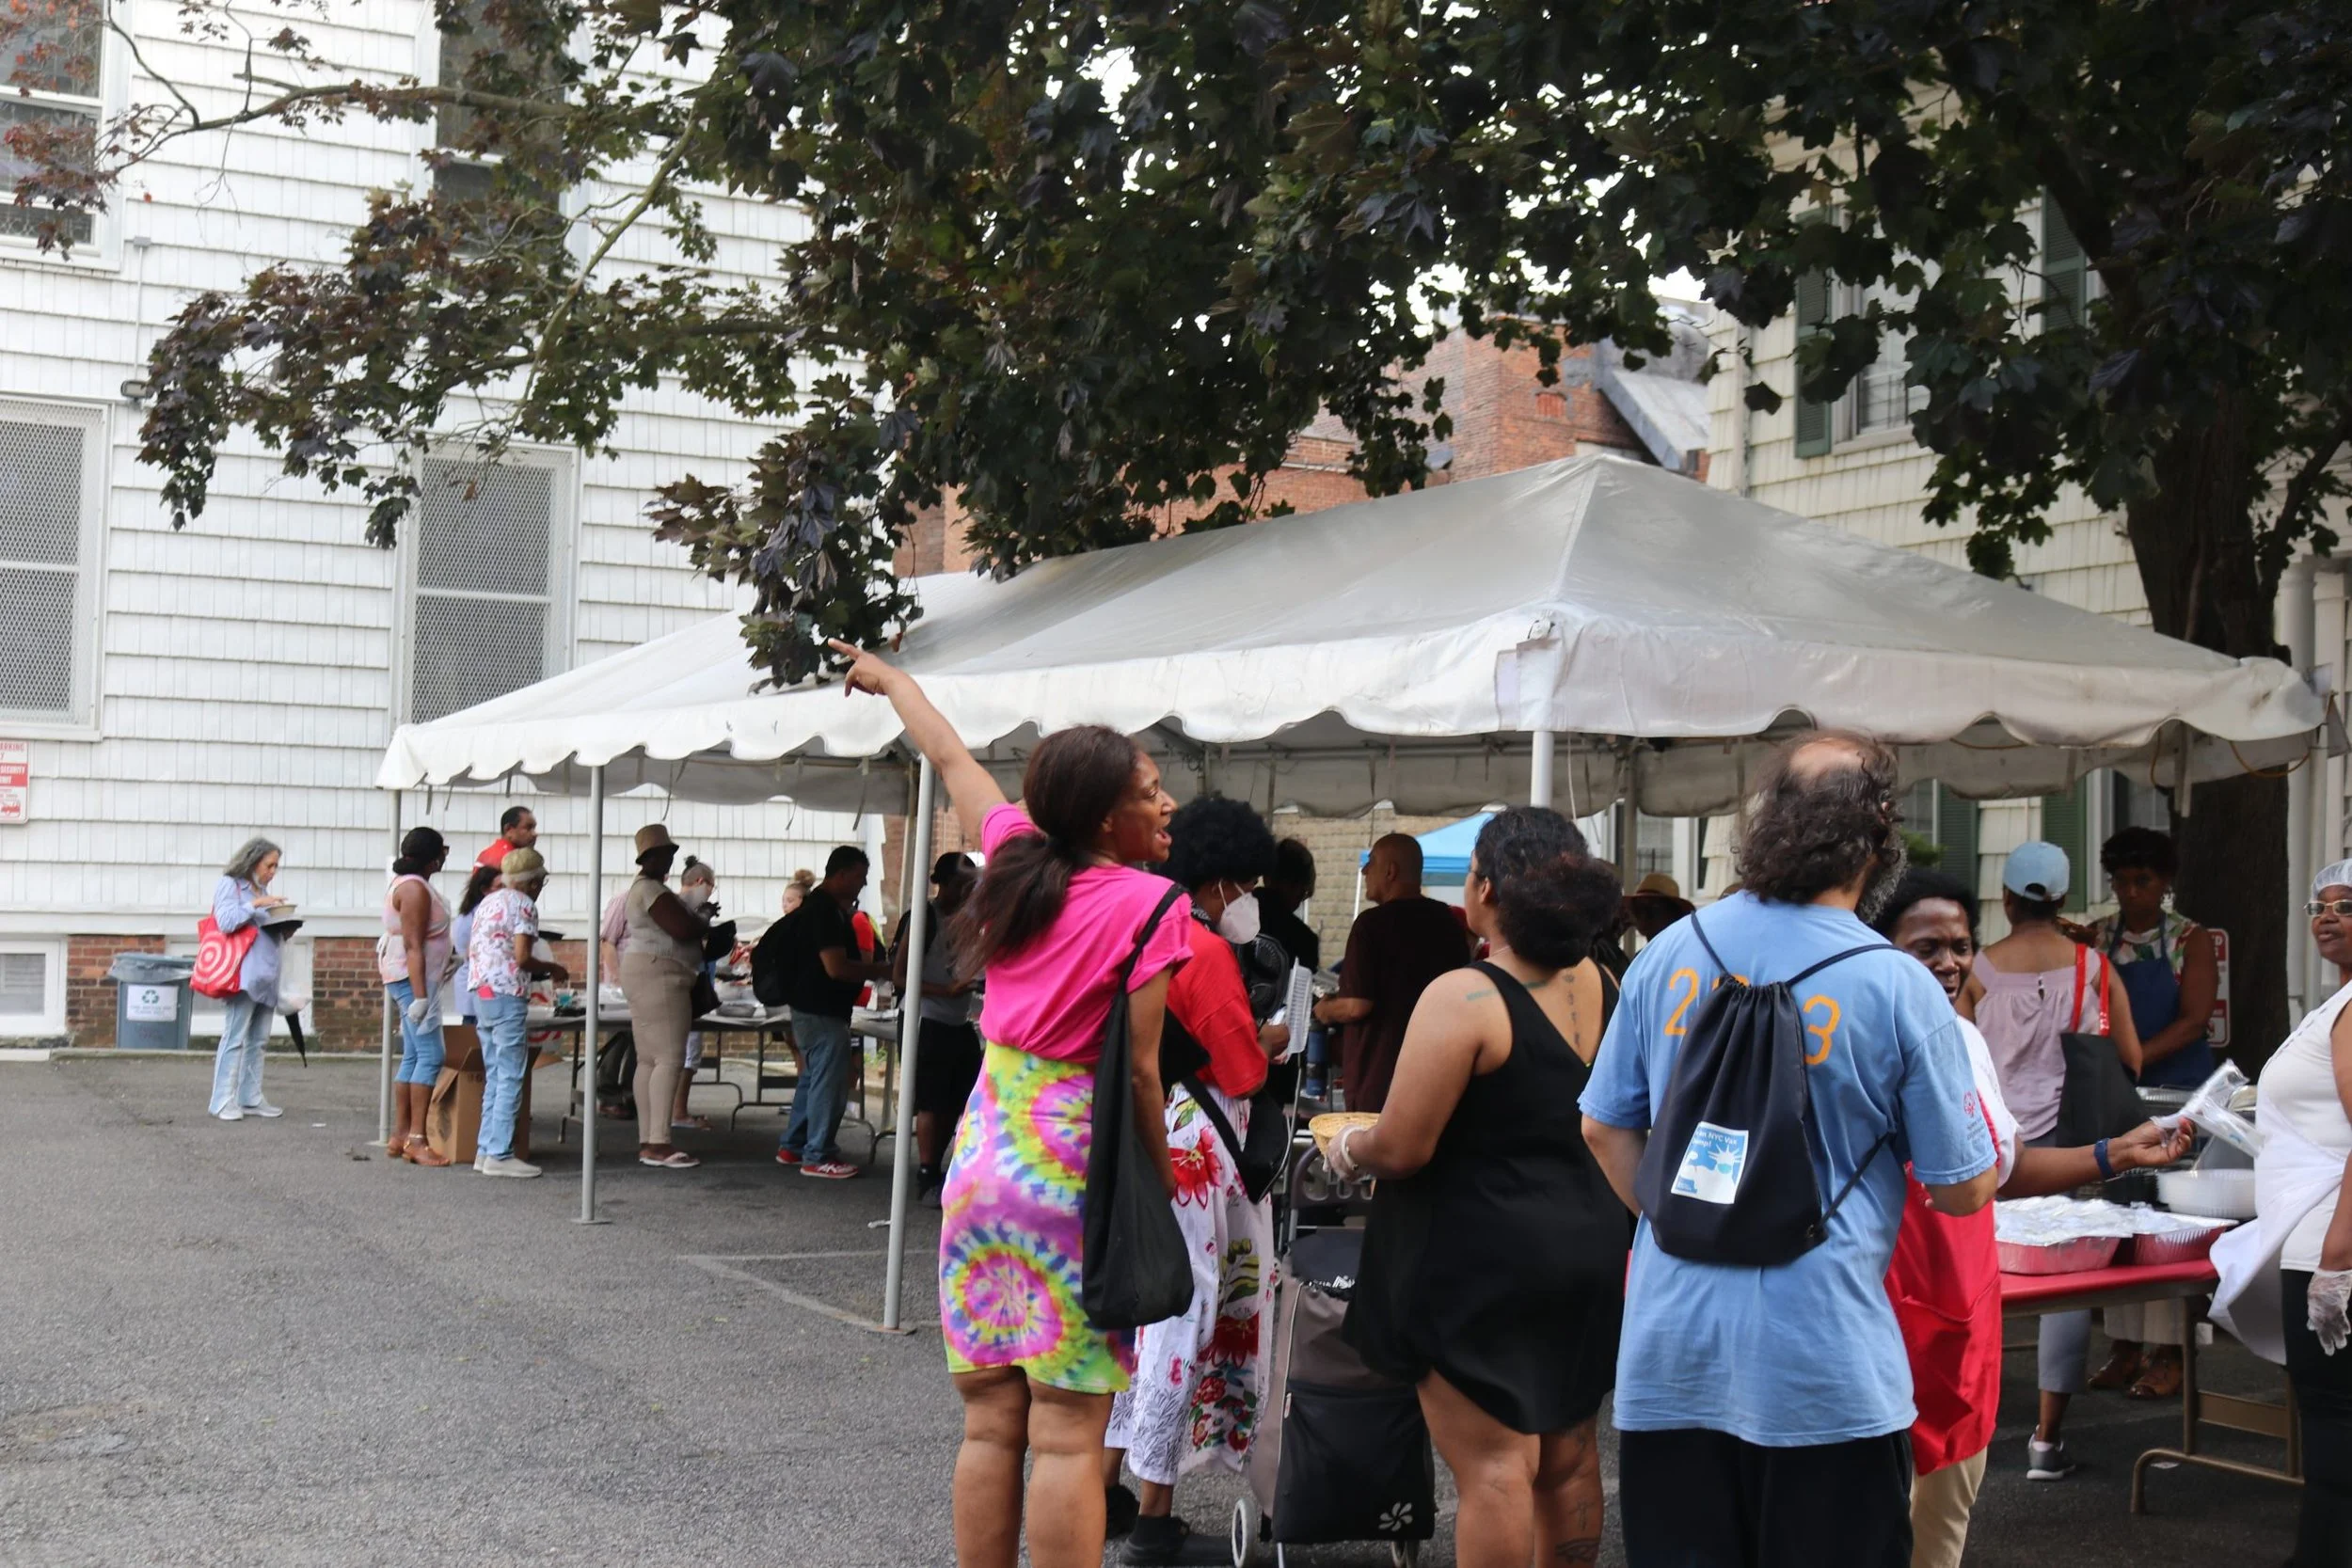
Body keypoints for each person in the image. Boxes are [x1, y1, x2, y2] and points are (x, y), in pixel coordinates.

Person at [1580, 733, 1997, 1568]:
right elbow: (1961, 1187)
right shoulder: (1897, 983)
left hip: (1670, 1365)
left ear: (1768, 822)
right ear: (1878, 835)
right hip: (1827, 1369)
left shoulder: (1669, 953)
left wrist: (1690, 1216)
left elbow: (1601, 1124)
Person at [831, 636, 1189, 1568]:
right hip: (1073, 1173)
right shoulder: (1154, 905)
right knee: (1070, 1431)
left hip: (982, 1159)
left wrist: (893, 682)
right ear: (1108, 818)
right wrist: (1159, 1181)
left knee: (991, 1419)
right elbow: (1142, 1070)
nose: (1166, 803)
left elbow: (949, 757)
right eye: (1149, 791)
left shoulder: (1018, 858)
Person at [1327, 806, 1627, 1568]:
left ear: (1486, 888)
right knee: (1568, 1454)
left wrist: (1348, 1148)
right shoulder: (1606, 983)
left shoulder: (1465, 997)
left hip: (1478, 1265)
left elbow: (1402, 1144)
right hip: (1587, 1248)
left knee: (1494, 1468)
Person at [1872, 870, 2190, 1568]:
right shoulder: (1863, 1043)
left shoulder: (1967, 1039)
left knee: (1943, 1528)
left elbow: (2005, 1166)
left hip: (1964, 1314)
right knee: (1872, 1528)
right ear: (1880, 952)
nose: (1950, 962)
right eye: (1926, 947)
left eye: (1960, 945)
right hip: (1881, 1318)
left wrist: (2112, 1152)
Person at [1104, 798, 1288, 1565]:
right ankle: (1155, 1514)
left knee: (1139, 1319)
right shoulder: (1203, 948)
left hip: (1147, 1137)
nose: (1249, 897)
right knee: (1186, 1315)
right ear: (1217, 883)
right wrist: (1269, 1037)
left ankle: (1105, 1483)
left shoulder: (1142, 926)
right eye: (1245, 882)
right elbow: (1241, 1068)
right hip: (1201, 1150)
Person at [1967, 838, 2143, 1478]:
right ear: (2063, 898)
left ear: (2007, 898)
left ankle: (1973, 1425)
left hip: (1994, 1153)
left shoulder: (1977, 968)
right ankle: (2046, 1437)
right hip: (2069, 1148)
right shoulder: (2094, 966)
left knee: (1980, 1283)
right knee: (2063, 1289)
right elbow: (2131, 1056)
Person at [2215, 861, 2352, 1568]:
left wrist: (2336, 1257)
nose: (2327, 916)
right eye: (2318, 904)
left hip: (2331, 1244)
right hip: (2315, 1232)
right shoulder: (2337, 1004)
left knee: (2334, 1430)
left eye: (2347, 905)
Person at [2083, 825, 2219, 1398]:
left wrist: (2136, 1060)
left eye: (2143, 880)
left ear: (2164, 883)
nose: (2131, 891)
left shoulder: (2191, 939)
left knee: (2168, 1228)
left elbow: (2194, 1019)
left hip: (2175, 1092)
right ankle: (2124, 1344)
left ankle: (2171, 1352)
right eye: (2121, 880)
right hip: (2119, 1092)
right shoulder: (2097, 937)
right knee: (2118, 1218)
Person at [1312, 833, 1470, 1112]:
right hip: (1438, 1079)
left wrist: (1324, 1010)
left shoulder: (1370, 925)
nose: (1364, 871)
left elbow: (1356, 1006)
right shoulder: (1448, 922)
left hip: (1379, 1080)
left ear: (1391, 871)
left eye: (1371, 862)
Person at [769, 846, 893, 1179]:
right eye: (859, 878)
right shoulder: (824, 912)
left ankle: (794, 1145)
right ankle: (818, 1153)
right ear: (841, 874)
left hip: (811, 1007)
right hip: (821, 1008)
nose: (862, 885)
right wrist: (882, 970)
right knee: (829, 1081)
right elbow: (836, 968)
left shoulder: (819, 908)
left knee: (813, 1078)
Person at [617, 824, 716, 1171]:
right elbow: (683, 929)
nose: (670, 860)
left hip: (646, 971)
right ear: (650, 858)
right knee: (670, 1058)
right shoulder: (650, 889)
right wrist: (703, 914)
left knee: (649, 1059)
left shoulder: (646, 888)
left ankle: (650, 1140)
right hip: (661, 974)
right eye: (665, 854)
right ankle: (659, 1143)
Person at [467, 847, 567, 1178]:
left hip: (481, 990)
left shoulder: (489, 902)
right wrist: (552, 967)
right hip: (507, 989)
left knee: (495, 1071)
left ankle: (485, 1149)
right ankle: (500, 1152)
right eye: (541, 880)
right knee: (511, 1072)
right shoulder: (524, 905)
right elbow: (523, 957)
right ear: (533, 882)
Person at [894, 852, 984, 1207]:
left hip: (958, 1017)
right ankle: (927, 1171)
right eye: (961, 886)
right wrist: (945, 990)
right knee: (931, 1098)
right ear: (942, 884)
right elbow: (900, 977)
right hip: (926, 1016)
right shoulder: (922, 918)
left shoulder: (967, 920)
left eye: (972, 887)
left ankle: (943, 1165)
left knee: (963, 1093)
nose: (967, 893)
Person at [380, 826, 455, 1165]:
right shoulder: (413, 890)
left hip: (413, 978)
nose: (445, 856)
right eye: (443, 850)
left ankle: (400, 1136)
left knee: (413, 1054)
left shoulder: (412, 884)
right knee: (431, 1054)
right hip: (414, 980)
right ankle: (417, 1139)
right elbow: (413, 945)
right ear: (432, 857)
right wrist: (421, 997)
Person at [209, 836, 294, 1121]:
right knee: (234, 1037)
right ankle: (222, 1100)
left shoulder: (262, 889)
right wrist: (257, 903)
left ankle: (250, 1096)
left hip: (266, 973)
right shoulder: (231, 885)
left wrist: (282, 925)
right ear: (253, 860)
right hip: (243, 972)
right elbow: (226, 921)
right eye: (269, 865)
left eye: (276, 866)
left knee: (258, 1040)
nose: (273, 871)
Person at [673, 856, 722, 1133]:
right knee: (688, 1055)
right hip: (687, 990)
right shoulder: (686, 910)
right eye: (711, 888)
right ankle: (678, 1112)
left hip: (685, 987)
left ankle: (673, 1110)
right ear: (701, 883)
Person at [1257, 837, 1321, 974]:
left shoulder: (1228, 912)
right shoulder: (1304, 940)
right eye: (1304, 894)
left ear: (1266, 878)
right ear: (1300, 889)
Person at [449, 863, 501, 1029]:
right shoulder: (482, 913)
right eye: (500, 887)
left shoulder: (469, 912)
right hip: (478, 981)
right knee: (478, 1032)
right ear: (485, 890)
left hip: (475, 981)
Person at [1624, 871, 1696, 942]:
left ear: (1672, 914)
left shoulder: (1681, 951)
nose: (1643, 916)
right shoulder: (1644, 953)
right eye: (1638, 908)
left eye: (1651, 909)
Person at [475, 804, 538, 872]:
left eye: (534, 828)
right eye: (528, 828)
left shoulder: (485, 854)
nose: (535, 834)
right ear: (508, 829)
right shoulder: (512, 861)